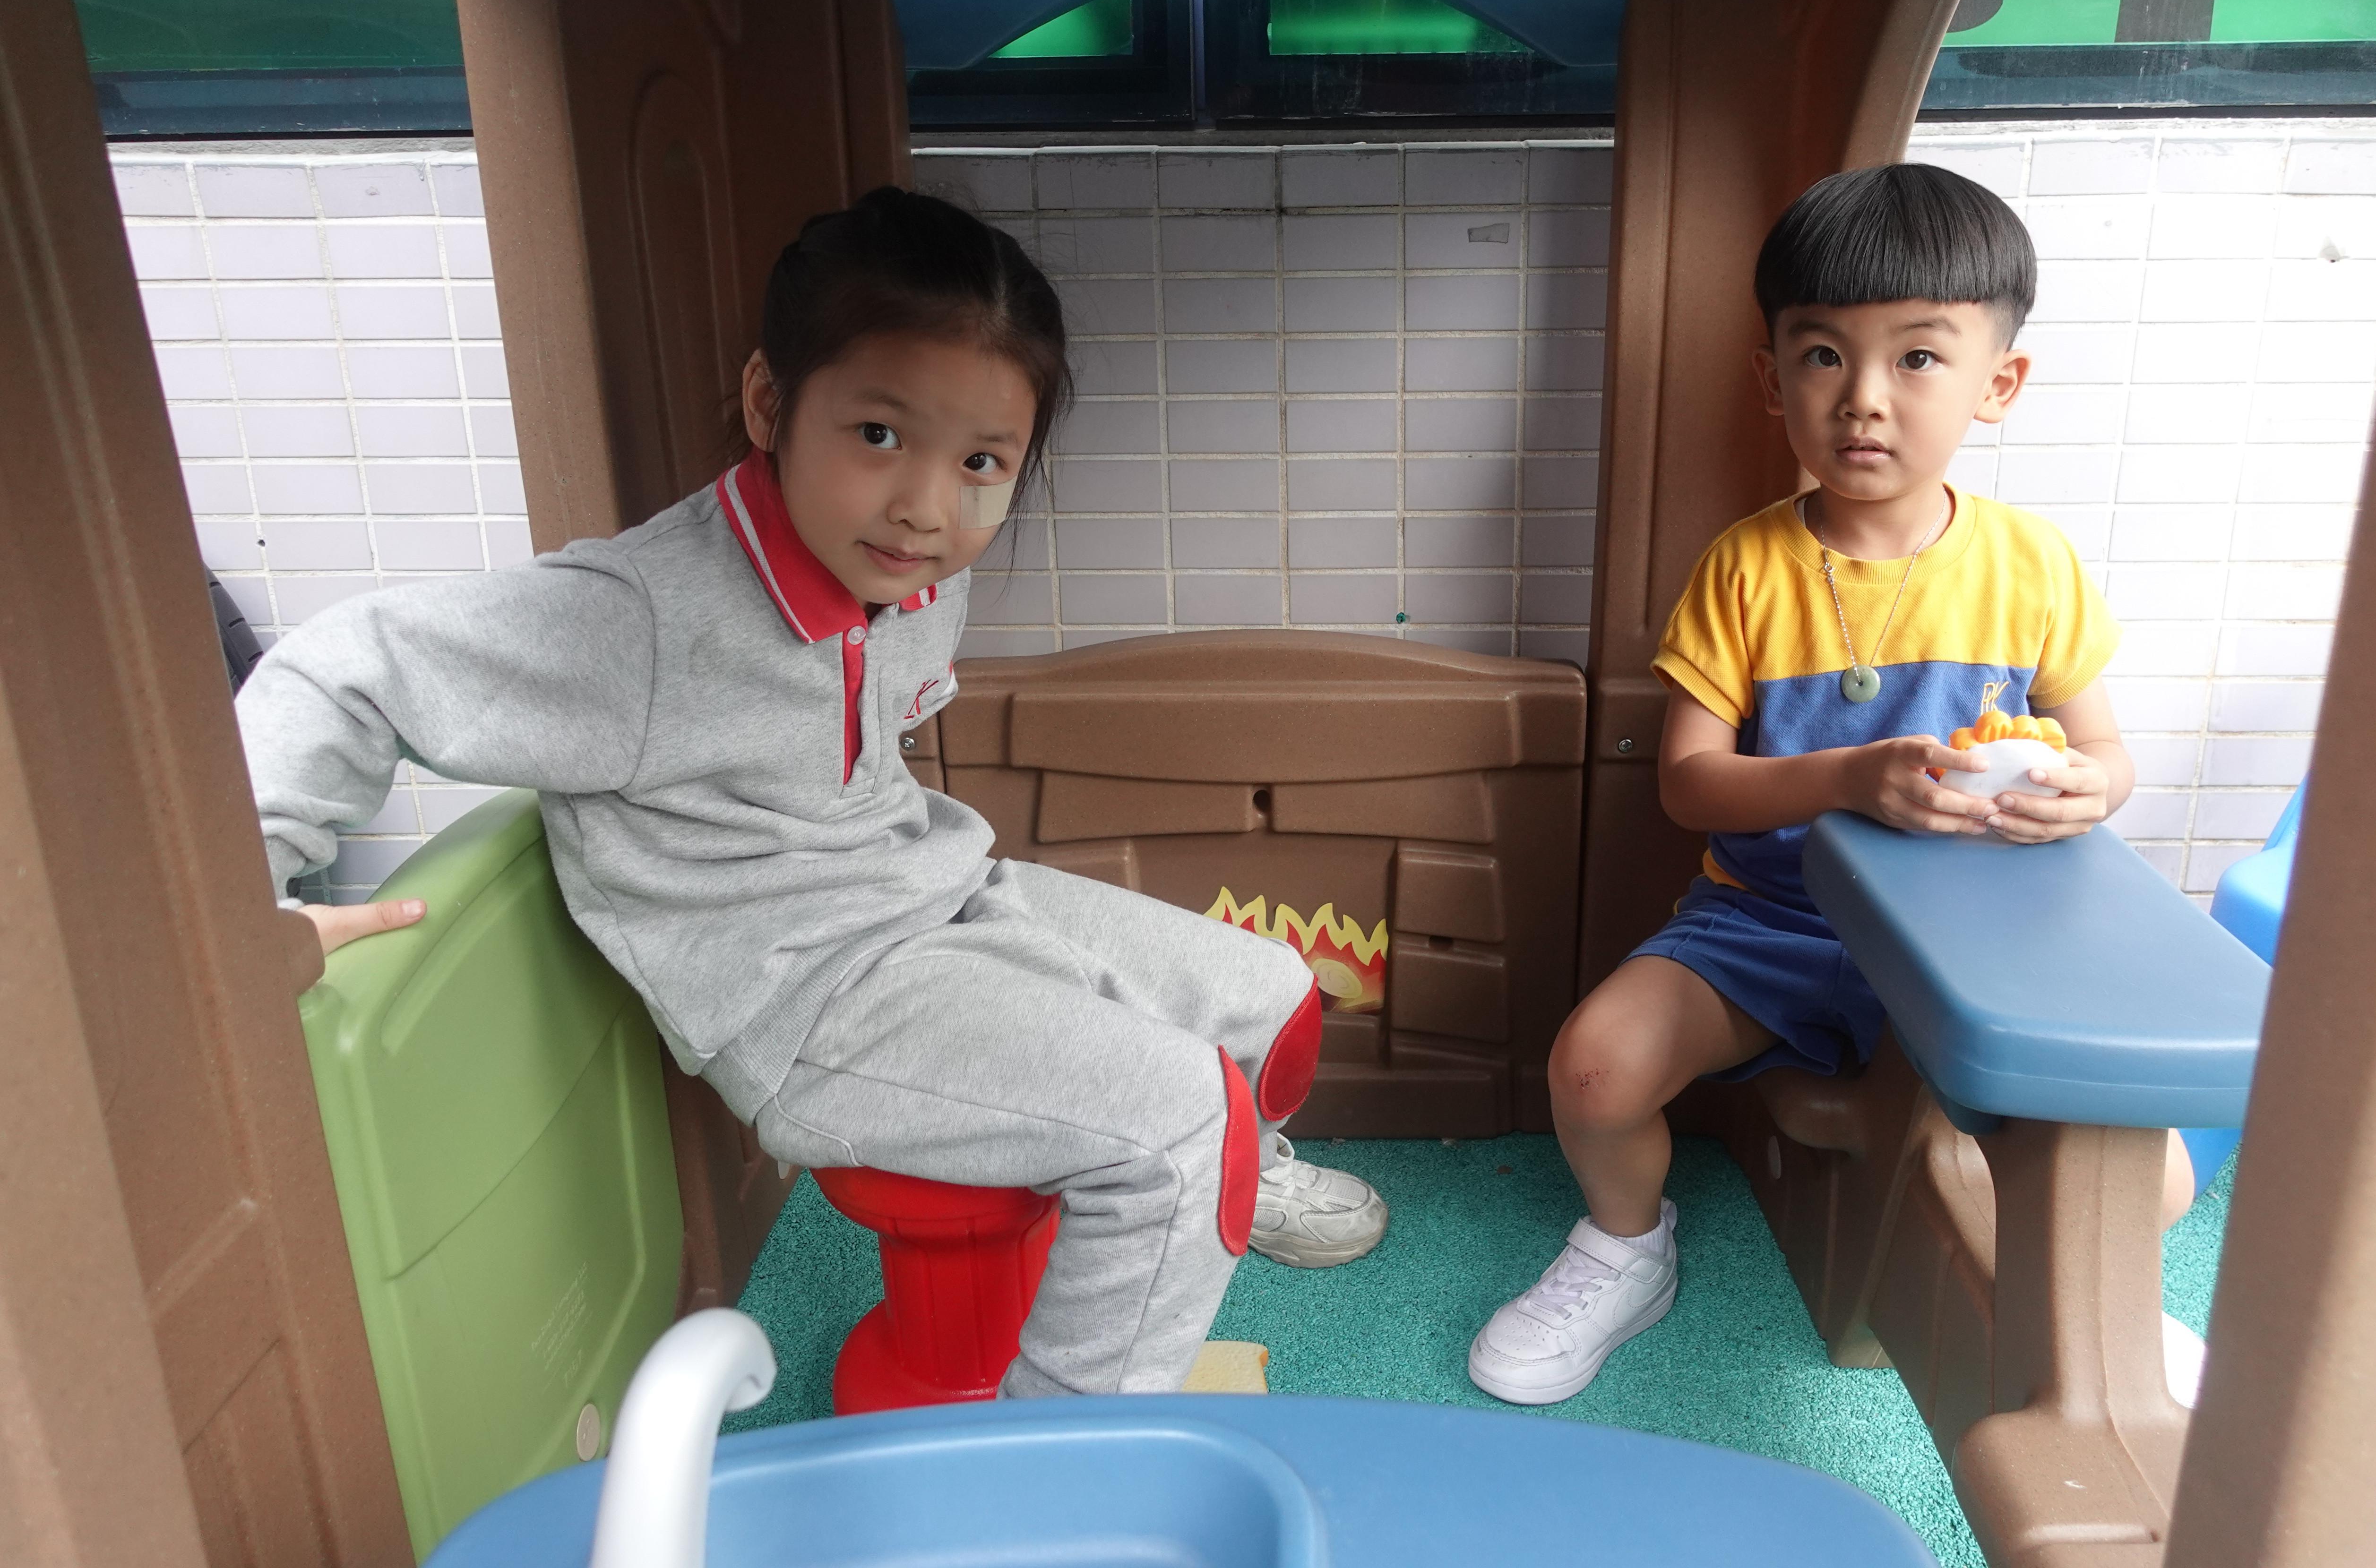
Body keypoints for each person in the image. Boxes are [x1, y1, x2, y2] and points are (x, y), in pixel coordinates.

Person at [240, 186, 1388, 1399]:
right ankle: (1059, 1454)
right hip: (806, 1002)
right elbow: (346, 666)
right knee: (1180, 1126)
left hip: (933, 896)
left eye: (982, 463)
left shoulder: (914, 568)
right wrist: (245, 903)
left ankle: (1231, 1180)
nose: (926, 506)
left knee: (1270, 996)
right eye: (879, 435)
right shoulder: (635, 625)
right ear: (768, 404)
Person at [1468, 163, 2192, 1406]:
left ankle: (2104, 1303)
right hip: (1771, 922)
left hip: (1978, 941)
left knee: (2151, 1170)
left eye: (1918, 358)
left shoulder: (2033, 566)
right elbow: (1691, 785)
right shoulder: (1745, 569)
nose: (1863, 397)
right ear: (1773, 380)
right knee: (1592, 1069)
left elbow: (2109, 756)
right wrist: (1850, 776)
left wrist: (2093, 789)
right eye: (1822, 356)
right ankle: (1626, 1245)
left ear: (1998, 384)